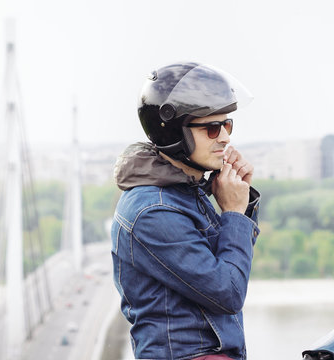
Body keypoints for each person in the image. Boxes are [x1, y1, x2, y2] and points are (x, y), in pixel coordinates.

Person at [111, 61, 260, 360]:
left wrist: (243, 204)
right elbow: (228, 293)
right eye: (212, 127)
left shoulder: (186, 190)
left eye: (227, 124)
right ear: (172, 133)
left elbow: (231, 263)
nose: (225, 137)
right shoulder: (154, 211)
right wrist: (232, 213)